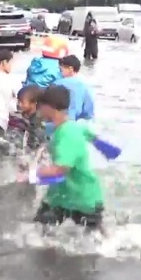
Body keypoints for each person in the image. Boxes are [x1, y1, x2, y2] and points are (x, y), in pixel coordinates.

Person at [28, 85, 105, 234]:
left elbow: (60, 169)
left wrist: (30, 176)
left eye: (40, 105)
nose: (38, 110)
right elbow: (89, 134)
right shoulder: (70, 127)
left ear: (49, 107)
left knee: (98, 244)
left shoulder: (67, 133)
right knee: (38, 233)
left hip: (82, 199)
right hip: (60, 196)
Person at [54, 55, 95, 122]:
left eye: (61, 69)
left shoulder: (57, 84)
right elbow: (89, 112)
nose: (60, 72)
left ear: (70, 69)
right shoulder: (85, 86)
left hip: (60, 122)